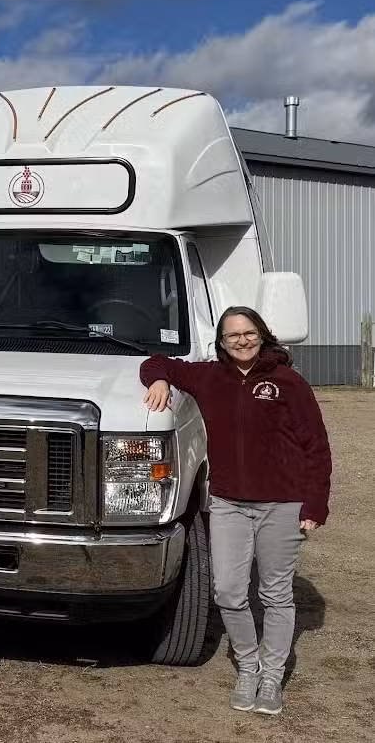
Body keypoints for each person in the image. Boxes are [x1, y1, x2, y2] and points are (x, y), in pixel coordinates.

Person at [140, 306, 331, 716]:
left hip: (282, 504)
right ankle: (248, 665)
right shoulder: (209, 377)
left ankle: (271, 677)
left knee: (275, 594)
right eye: (232, 336)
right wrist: (158, 379)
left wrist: (315, 503)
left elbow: (316, 447)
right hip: (228, 504)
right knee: (227, 590)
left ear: (262, 334)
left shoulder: (288, 383)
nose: (242, 341)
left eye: (248, 333)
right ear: (222, 343)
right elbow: (156, 361)